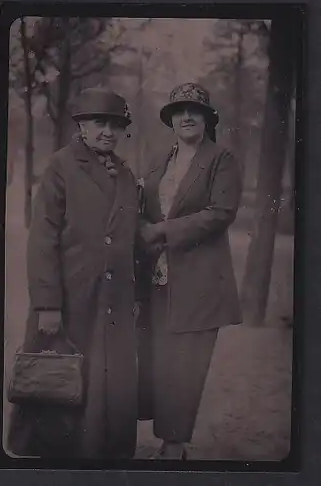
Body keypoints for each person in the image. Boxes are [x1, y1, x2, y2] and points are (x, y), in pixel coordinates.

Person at [7, 87, 139, 459]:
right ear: (81, 125)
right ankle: (51, 458)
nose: (108, 132)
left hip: (112, 299)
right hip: (70, 296)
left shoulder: (127, 175)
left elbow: (130, 235)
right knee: (58, 377)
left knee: (105, 383)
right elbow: (42, 239)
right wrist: (48, 303)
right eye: (100, 123)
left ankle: (99, 452)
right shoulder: (61, 165)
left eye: (116, 125)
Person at [137, 82, 243, 459]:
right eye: (179, 112)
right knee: (162, 360)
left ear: (206, 119)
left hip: (199, 282)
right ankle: (169, 440)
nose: (186, 117)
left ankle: (175, 444)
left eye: (194, 111)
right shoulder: (162, 162)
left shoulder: (221, 159)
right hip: (160, 281)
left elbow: (220, 213)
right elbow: (144, 207)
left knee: (187, 363)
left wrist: (161, 230)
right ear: (170, 120)